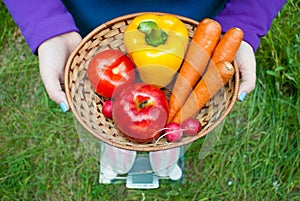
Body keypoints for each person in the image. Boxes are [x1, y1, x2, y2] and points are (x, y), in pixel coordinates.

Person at [3, 0, 286, 182]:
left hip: (193, 26)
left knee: (175, 105)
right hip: (95, 20)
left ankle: (167, 151)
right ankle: (117, 150)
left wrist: (246, 17)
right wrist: (47, 22)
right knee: (117, 110)